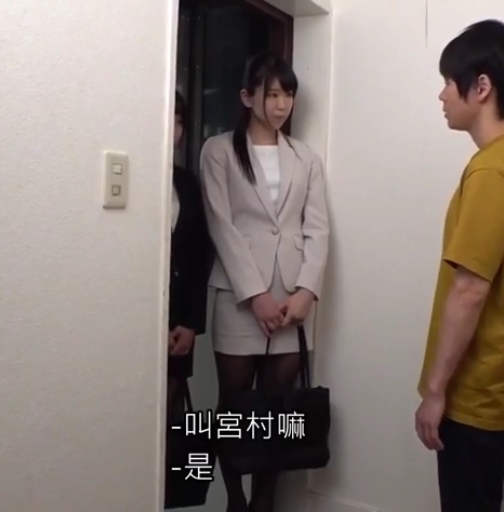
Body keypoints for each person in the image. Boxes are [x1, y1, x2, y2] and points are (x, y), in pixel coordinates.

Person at [414, 20, 504, 512]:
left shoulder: (494, 170)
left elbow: (470, 289)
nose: (442, 95)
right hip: (501, 381)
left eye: (449, 82)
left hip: (475, 390)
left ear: (482, 87)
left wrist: (435, 392)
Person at [198, 51, 330, 512]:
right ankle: (235, 500)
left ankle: (264, 503)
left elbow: (318, 229)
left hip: (293, 302)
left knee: (279, 412)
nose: (281, 104)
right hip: (239, 299)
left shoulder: (306, 158)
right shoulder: (218, 150)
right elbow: (221, 224)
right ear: (246, 96)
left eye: (288, 94)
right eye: (272, 94)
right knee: (235, 409)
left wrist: (307, 291)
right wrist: (255, 296)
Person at [167, 91, 213, 415]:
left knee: (171, 413)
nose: (174, 129)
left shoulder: (186, 183)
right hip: (139, 320)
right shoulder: (133, 180)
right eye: (168, 118)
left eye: (179, 121)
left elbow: (199, 254)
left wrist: (191, 323)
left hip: (180, 320)